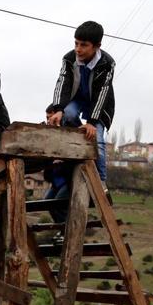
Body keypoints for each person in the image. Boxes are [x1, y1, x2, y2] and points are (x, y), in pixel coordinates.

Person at [47, 21, 115, 186]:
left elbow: (102, 92)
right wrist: (58, 109)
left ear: (97, 46)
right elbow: (62, 83)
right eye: (76, 43)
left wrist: (92, 122)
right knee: (68, 114)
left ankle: (101, 183)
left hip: (98, 105)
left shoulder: (107, 63)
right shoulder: (69, 59)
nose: (78, 49)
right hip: (76, 99)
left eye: (84, 45)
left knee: (97, 140)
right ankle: (81, 140)